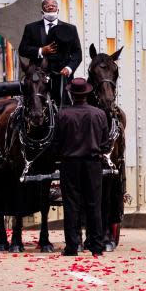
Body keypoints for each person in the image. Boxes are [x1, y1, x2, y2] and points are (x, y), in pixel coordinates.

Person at [56, 78, 111, 257]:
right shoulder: (99, 114)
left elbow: (56, 142)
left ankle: (72, 246)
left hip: (69, 164)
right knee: (94, 204)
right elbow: (105, 143)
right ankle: (96, 244)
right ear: (87, 94)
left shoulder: (63, 114)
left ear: (71, 95)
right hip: (93, 163)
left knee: (71, 204)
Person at [18, 0, 83, 106]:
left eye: (54, 4)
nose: (51, 6)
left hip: (62, 77)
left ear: (58, 10)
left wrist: (69, 68)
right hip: (38, 79)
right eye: (47, 5)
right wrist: (41, 51)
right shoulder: (31, 28)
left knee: (65, 107)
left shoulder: (70, 28)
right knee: (36, 107)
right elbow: (22, 49)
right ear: (42, 11)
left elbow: (77, 53)